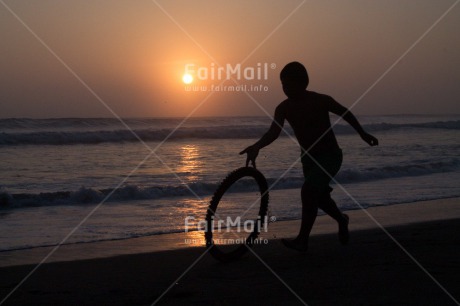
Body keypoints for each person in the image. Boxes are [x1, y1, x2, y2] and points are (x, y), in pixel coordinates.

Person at [240, 62, 378, 252]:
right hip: (308, 159)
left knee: (308, 192)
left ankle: (303, 240)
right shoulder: (283, 108)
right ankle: (341, 219)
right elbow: (273, 132)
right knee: (319, 198)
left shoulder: (320, 100)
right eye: (282, 84)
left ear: (303, 82)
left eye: (289, 84)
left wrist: (362, 133)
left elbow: (344, 112)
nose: (285, 88)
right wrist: (257, 146)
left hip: (330, 156)